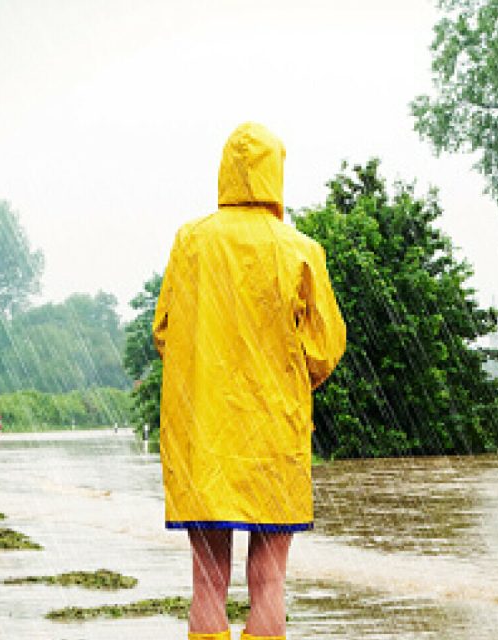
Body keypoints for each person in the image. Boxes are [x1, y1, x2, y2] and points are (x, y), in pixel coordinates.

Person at [153, 122, 347, 640]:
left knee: (207, 581)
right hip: (272, 438)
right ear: (275, 173)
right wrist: (284, 376)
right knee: (269, 581)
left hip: (203, 435)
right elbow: (326, 347)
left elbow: (163, 331)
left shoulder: (190, 241)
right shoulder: (300, 249)